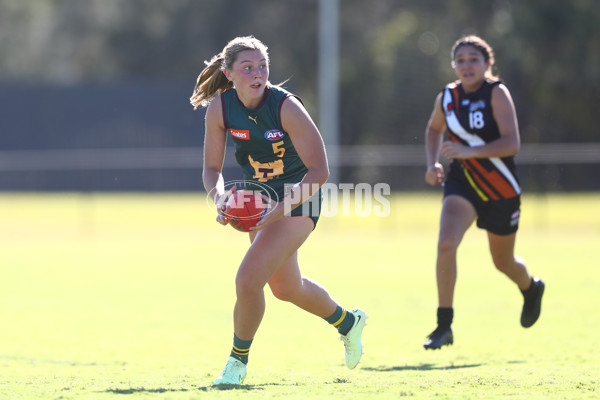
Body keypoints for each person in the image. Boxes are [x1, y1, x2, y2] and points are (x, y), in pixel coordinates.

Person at [190, 36, 367, 385]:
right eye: (248, 67)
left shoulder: (285, 106)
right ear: (229, 74)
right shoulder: (220, 109)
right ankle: (349, 322)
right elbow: (212, 170)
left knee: (247, 279)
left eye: (262, 66)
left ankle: (236, 364)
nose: (258, 73)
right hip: (260, 196)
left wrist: (281, 208)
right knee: (286, 288)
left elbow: (320, 171)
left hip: (302, 195)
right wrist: (221, 196)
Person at [423, 35, 545, 350]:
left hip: (500, 186)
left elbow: (511, 143)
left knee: (502, 262)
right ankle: (443, 326)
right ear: (454, 65)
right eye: (460, 60)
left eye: (473, 59)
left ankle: (531, 288)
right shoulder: (447, 97)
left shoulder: (497, 93)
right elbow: (434, 129)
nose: (467, 66)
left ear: (487, 63)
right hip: (461, 182)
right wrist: (432, 163)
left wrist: (466, 150)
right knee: (446, 243)